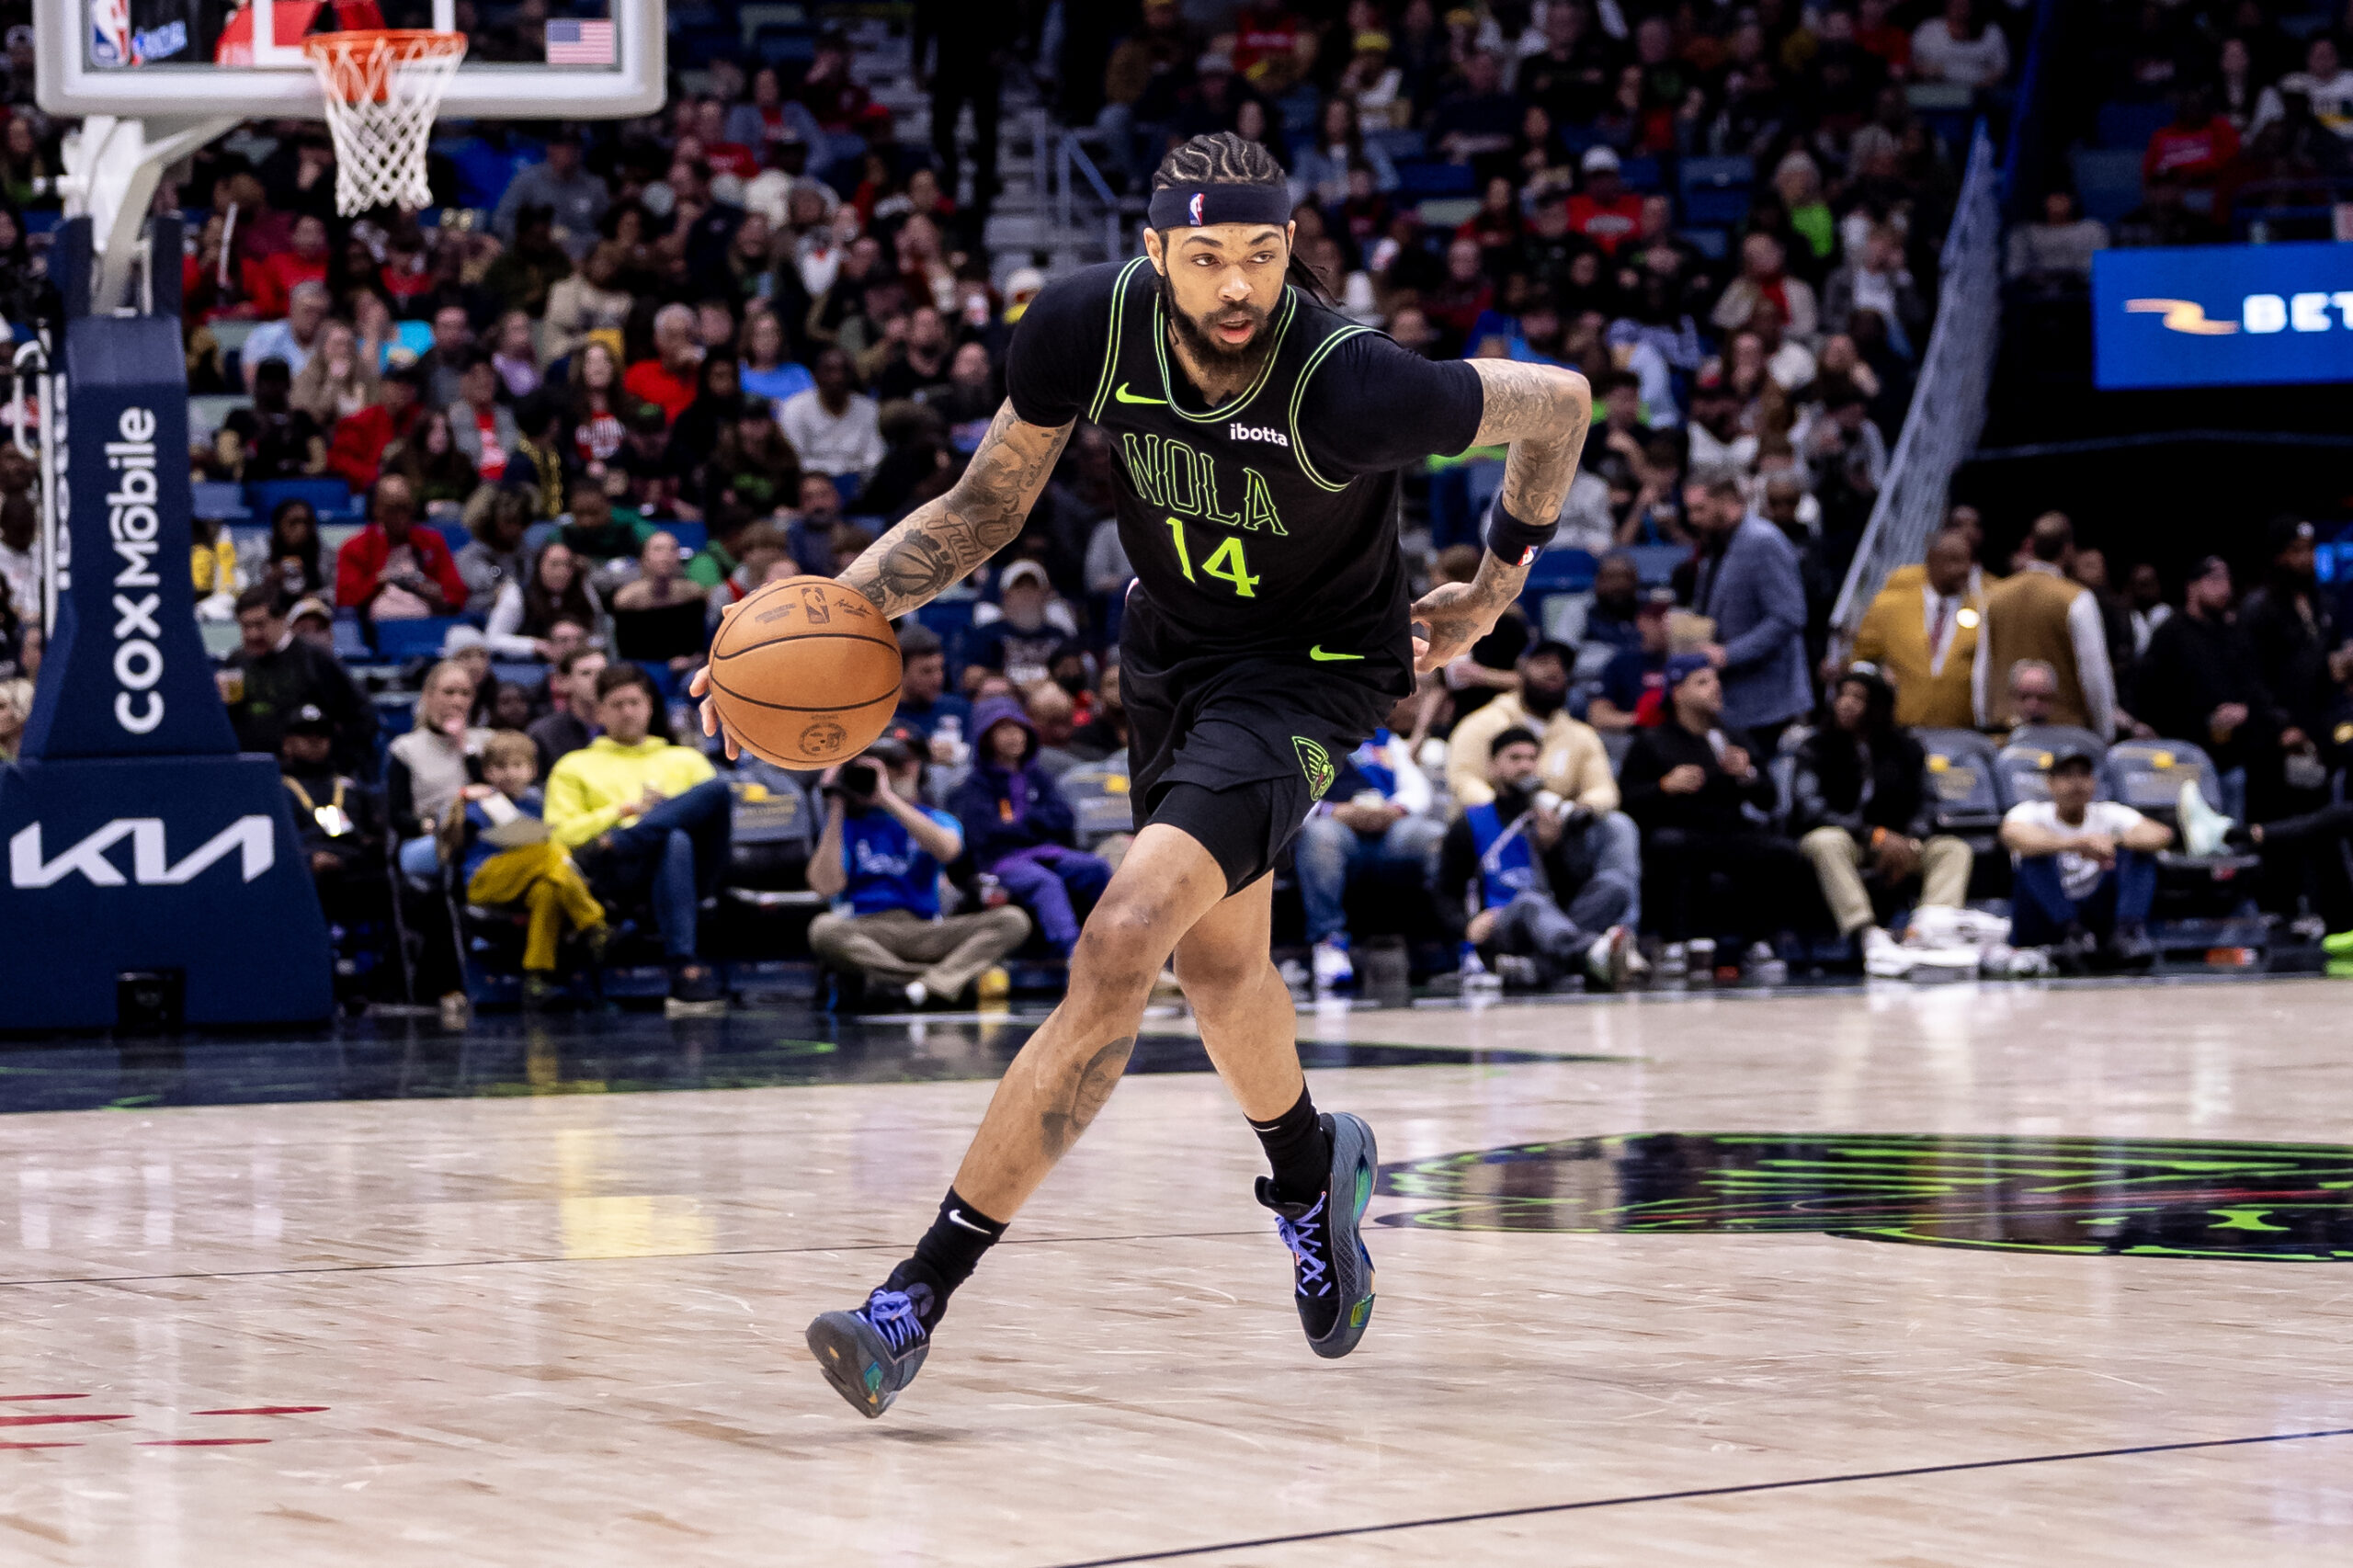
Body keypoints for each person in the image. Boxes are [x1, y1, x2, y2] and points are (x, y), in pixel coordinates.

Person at [689, 131, 1589, 1414]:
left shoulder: (1350, 384)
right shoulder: (1081, 328)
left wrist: (1494, 587)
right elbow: (981, 509)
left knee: (1121, 935)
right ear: (1156, 251)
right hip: (1167, 656)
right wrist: (823, 616)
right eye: (1210, 257)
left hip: (1312, 671)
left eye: (1265, 257)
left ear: (1293, 250)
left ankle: (915, 1294)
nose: (1239, 287)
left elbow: (1557, 402)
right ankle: (1310, 1173)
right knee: (1221, 968)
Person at [547, 665, 733, 1017]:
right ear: (600, 711)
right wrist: (623, 811)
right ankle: (683, 966)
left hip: (694, 869)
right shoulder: (574, 766)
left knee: (718, 790)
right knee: (673, 838)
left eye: (634, 702)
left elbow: (713, 820)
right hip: (617, 874)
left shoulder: (686, 759)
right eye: (617, 704)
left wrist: (648, 821)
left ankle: (625, 839)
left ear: (649, 706)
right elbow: (560, 834)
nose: (627, 712)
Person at [807, 735, 1032, 1008]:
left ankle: (909, 984)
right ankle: (931, 983)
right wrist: (837, 803)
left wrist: (887, 799)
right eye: (886, 764)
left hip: (927, 928)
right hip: (868, 929)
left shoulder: (936, 818)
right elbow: (825, 886)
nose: (895, 770)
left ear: (921, 769)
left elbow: (947, 851)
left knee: (1012, 920)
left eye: (903, 762)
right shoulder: (849, 826)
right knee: (823, 929)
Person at [1791, 665, 1976, 977]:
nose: (1846, 704)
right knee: (1826, 841)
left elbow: (1927, 803)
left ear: (1877, 705)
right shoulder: (1815, 747)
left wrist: (1911, 841)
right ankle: (1867, 933)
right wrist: (1872, 836)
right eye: (1842, 695)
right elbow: (1811, 808)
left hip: (1900, 841)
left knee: (1952, 849)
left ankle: (1928, 933)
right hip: (1849, 839)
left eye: (1858, 697)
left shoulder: (1906, 748)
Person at [1620, 654, 1802, 969]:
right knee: (1671, 846)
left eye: (1716, 680)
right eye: (1702, 682)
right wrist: (1664, 786)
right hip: (1678, 829)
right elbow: (1627, 800)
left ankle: (1759, 943)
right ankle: (1674, 941)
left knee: (1780, 851)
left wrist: (1748, 776)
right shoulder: (1651, 741)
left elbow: (1769, 800)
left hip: (1728, 829)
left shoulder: (1733, 737)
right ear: (1677, 692)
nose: (1715, 687)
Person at [1436, 725, 1641, 990]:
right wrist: (1466, 926)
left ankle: (1542, 968)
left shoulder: (1552, 818)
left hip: (1553, 923)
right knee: (1530, 903)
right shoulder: (1470, 822)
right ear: (1493, 766)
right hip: (1502, 922)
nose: (1525, 766)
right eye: (1515, 758)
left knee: (1615, 886)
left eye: (1532, 759)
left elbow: (1570, 890)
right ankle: (1591, 952)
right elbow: (1444, 890)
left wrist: (1552, 848)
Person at [1294, 689, 1448, 989]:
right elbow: (1292, 795)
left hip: (1388, 829)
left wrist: (1395, 810)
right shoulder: (1304, 736)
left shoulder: (1383, 739)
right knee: (1319, 837)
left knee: (1435, 838)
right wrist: (1334, 810)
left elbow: (1417, 789)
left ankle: (1449, 940)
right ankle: (1329, 943)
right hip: (1336, 828)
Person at [444, 730, 607, 1006]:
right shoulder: (478, 805)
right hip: (486, 882)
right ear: (486, 771)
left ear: (532, 770)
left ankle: (536, 976)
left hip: (529, 883)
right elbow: (450, 839)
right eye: (499, 767)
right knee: (549, 851)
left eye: (517, 766)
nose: (509, 774)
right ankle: (592, 922)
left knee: (548, 889)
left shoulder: (540, 805)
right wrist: (460, 804)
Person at [951, 697, 1112, 958]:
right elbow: (985, 833)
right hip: (1000, 862)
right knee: (1045, 883)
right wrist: (1035, 824)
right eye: (1004, 730)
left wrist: (1022, 823)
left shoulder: (1039, 777)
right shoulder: (974, 786)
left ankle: (1112, 944)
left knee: (1095, 868)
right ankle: (1073, 952)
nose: (1014, 736)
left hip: (1047, 852)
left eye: (1018, 728)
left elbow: (1064, 818)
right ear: (985, 737)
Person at [2000, 748, 2171, 970]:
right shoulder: (2030, 812)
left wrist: (2115, 841)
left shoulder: (2107, 813)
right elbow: (2012, 836)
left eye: (2083, 775)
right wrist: (2079, 843)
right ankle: (2072, 933)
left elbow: (2161, 835)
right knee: (2031, 858)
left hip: (2096, 915)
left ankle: (2127, 934)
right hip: (2043, 919)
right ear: (2050, 783)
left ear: (2093, 782)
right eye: (2067, 775)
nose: (2077, 783)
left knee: (2140, 853)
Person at [1687, 473, 1811, 754]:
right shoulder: (1718, 543)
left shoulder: (1763, 541)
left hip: (1767, 699)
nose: (1693, 519)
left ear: (1728, 503)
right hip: (1732, 697)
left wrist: (1728, 654)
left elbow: (1789, 616)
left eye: (1700, 509)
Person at [1973, 513, 2116, 738]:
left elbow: (1982, 669)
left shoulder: (1993, 597)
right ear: (2068, 549)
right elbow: (2094, 675)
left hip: (2005, 734)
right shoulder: (2077, 599)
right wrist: (2105, 731)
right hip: (2065, 738)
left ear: (2031, 545)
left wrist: (1984, 721)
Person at [219, 585, 371, 777]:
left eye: (259, 625)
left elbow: (361, 716)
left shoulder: (314, 659)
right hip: (251, 774)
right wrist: (219, 705)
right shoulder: (236, 661)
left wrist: (337, 767)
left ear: (282, 618)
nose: (252, 634)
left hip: (307, 778)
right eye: (245, 626)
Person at [1851, 529, 1986, 731]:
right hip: (1898, 729)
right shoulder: (1890, 606)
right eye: (1954, 561)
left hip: (1959, 731)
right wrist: (1879, 680)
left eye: (1967, 561)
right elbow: (1862, 660)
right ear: (1932, 562)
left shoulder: (1983, 612)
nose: (1964, 569)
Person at [335, 474, 468, 620]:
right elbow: (345, 600)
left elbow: (457, 593)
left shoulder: (432, 541)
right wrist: (380, 580)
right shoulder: (355, 547)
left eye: (406, 507)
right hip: (376, 627)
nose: (401, 516)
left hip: (430, 619)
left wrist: (439, 595)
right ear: (378, 509)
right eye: (393, 509)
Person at [779, 347, 886, 481]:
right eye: (829, 371)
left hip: (857, 480)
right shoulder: (795, 408)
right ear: (816, 375)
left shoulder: (869, 408)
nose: (837, 377)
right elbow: (795, 457)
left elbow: (875, 454)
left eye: (844, 371)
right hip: (810, 481)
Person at [529, 646, 608, 777]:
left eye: (602, 673)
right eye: (586, 673)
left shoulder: (627, 726)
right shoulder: (543, 734)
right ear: (563, 681)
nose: (597, 680)